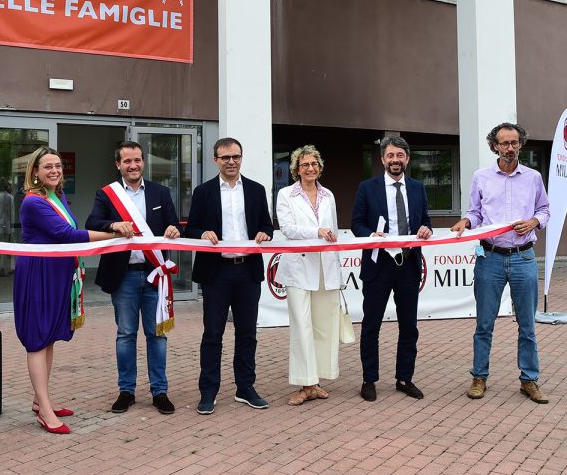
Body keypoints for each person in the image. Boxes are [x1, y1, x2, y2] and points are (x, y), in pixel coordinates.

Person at [14, 147, 121, 434]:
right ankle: (45, 411)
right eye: (47, 166)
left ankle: (41, 400)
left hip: (58, 273)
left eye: (58, 166)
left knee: (48, 337)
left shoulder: (56, 196)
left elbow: (68, 231)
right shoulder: (33, 202)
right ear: (34, 171)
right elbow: (66, 235)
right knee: (37, 339)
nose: (54, 171)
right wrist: (115, 234)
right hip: (38, 274)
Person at [451, 123, 550, 403]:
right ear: (494, 145)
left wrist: (534, 221)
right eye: (503, 143)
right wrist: (467, 221)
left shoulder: (532, 178)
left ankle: (529, 381)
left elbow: (544, 209)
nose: (509, 148)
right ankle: (479, 377)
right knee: (484, 324)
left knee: (527, 325)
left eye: (514, 143)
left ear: (521, 145)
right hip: (490, 258)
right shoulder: (481, 177)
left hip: (524, 257)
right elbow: (475, 212)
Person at [86, 141, 182, 415]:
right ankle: (126, 391)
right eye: (127, 161)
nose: (133, 165)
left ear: (143, 162)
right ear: (118, 165)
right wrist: (113, 225)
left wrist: (173, 229)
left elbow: (172, 223)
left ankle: (159, 391)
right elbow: (92, 223)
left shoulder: (160, 192)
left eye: (137, 160)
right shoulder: (107, 195)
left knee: (157, 336)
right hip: (124, 276)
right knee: (126, 334)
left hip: (154, 275)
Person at [185, 137, 274, 415]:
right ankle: (208, 392)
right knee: (213, 333)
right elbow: (191, 228)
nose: (231, 162)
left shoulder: (257, 190)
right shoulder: (203, 191)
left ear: (241, 157)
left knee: (247, 333)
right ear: (216, 160)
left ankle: (245, 387)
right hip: (216, 273)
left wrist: (264, 233)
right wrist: (201, 233)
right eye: (225, 157)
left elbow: (266, 225)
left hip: (248, 271)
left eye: (235, 156)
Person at [351, 135, 432, 402]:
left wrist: (426, 229)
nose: (395, 160)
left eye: (400, 155)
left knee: (409, 326)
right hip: (379, 265)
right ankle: (369, 379)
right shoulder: (367, 187)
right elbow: (356, 223)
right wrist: (371, 234)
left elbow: (426, 221)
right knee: (371, 325)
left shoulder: (418, 187)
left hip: (408, 265)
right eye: (390, 156)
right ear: (382, 159)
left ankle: (404, 378)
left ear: (407, 159)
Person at [275, 145, 343, 405]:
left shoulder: (329, 195)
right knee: (302, 328)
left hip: (326, 268)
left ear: (320, 167)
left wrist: (329, 237)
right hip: (298, 270)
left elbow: (333, 230)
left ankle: (317, 381)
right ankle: (305, 384)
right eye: (304, 165)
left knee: (323, 326)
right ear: (296, 169)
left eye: (314, 164)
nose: (310, 168)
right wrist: (317, 232)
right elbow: (288, 230)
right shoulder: (285, 195)